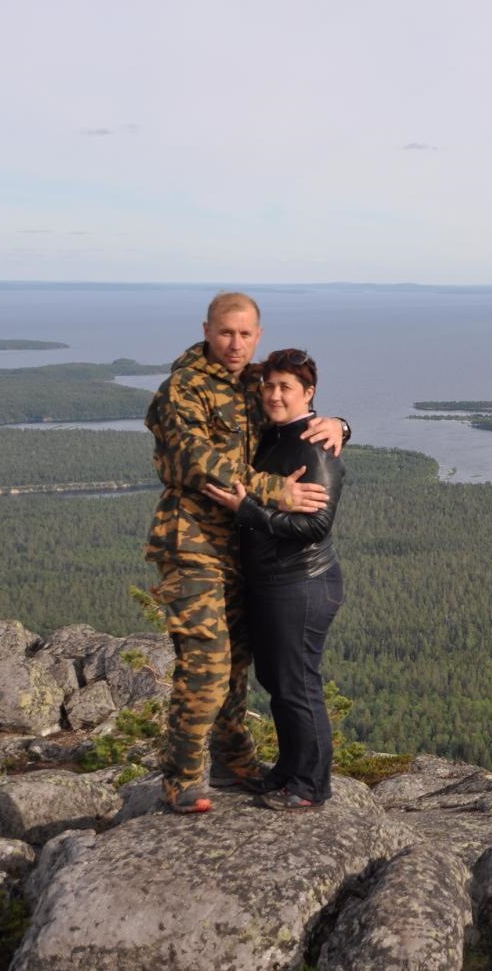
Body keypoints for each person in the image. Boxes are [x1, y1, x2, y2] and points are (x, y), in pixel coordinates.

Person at [144, 293, 349, 814]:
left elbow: (295, 398)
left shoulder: (253, 380)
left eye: (244, 334)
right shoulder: (183, 388)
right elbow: (193, 460)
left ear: (257, 336)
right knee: (207, 664)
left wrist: (340, 424)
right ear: (207, 331)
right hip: (191, 543)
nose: (235, 344)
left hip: (241, 550)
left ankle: (234, 761)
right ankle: (183, 778)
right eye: (225, 333)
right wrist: (275, 490)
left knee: (236, 664)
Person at [204, 347, 344, 810]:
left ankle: (311, 786)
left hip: (301, 584)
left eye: (286, 387)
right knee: (277, 680)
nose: (274, 394)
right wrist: (345, 422)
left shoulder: (315, 445)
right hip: (271, 582)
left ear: (309, 393)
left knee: (298, 683)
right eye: (269, 385)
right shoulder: (273, 436)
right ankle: (288, 771)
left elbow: (315, 526)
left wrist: (246, 511)